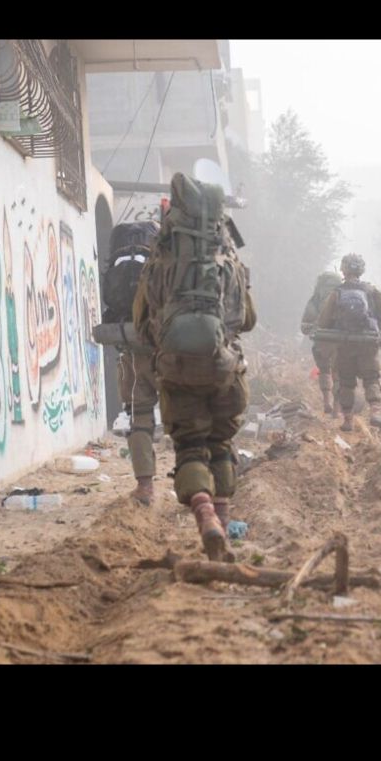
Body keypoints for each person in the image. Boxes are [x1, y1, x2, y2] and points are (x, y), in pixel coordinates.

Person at [134, 173, 256, 561]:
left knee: (190, 446)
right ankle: (223, 523)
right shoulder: (230, 260)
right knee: (220, 444)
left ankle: (205, 517)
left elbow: (140, 321)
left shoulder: (161, 259)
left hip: (176, 370)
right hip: (225, 370)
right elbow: (248, 320)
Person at [101, 218, 162, 505]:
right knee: (185, 418)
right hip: (167, 351)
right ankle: (198, 488)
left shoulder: (118, 264)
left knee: (139, 416)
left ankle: (145, 487)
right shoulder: (164, 263)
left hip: (134, 350)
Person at [315, 253, 381, 433]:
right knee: (371, 378)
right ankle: (375, 412)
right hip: (368, 344)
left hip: (345, 345)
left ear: (343, 270)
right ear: (361, 270)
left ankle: (348, 421)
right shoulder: (371, 290)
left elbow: (323, 322)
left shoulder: (337, 293)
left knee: (346, 382)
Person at [301, 270, 343, 414]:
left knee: (324, 370)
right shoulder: (344, 295)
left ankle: (326, 401)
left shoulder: (316, 299)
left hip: (321, 341)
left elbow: (305, 326)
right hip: (341, 341)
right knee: (338, 373)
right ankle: (336, 408)